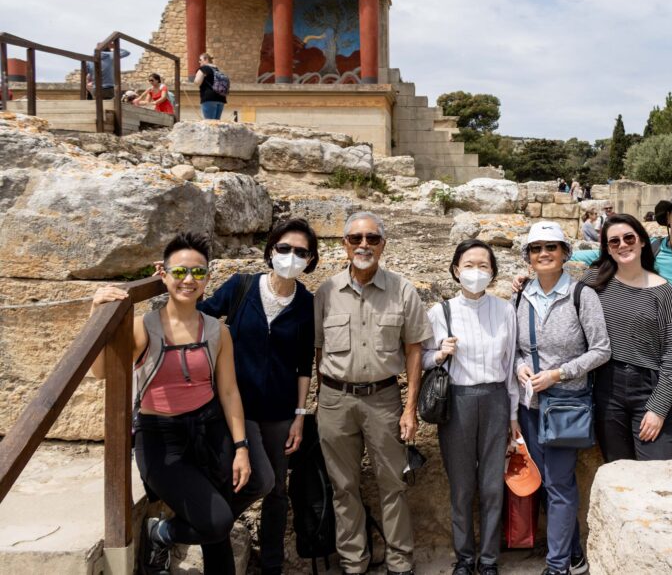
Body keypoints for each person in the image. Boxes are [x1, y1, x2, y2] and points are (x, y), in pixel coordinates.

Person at [90, 232, 270, 574]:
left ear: (207, 278)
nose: (189, 280)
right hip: (161, 438)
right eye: (180, 272)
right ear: (164, 274)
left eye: (199, 273)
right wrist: (95, 312)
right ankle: (163, 532)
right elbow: (101, 372)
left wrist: (242, 447)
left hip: (208, 427)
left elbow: (229, 392)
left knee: (259, 480)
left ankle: (186, 525)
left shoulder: (218, 331)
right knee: (217, 523)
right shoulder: (144, 328)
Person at [567, 182, 672, 458]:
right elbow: (595, 257)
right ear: (667, 217)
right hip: (659, 370)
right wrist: (541, 267)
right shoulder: (653, 253)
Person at [197, 219, 319, 575]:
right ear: (270, 250)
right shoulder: (242, 286)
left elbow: (303, 364)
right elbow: (201, 314)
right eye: (284, 248)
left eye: (300, 252)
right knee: (257, 479)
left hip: (281, 412)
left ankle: (271, 565)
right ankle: (208, 525)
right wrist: (177, 283)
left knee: (277, 491)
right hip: (237, 408)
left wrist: (299, 414)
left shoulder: (307, 304)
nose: (291, 256)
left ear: (309, 260)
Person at [314, 212, 433, 575]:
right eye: (355, 238)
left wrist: (409, 408)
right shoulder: (326, 291)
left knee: (393, 484)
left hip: (383, 400)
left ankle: (400, 562)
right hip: (335, 401)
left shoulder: (402, 290)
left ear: (383, 244)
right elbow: (318, 350)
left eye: (371, 238)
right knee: (343, 486)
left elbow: (414, 350)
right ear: (344, 245)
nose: (363, 245)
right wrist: (321, 403)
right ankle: (354, 562)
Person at [515, 221, 610, 575]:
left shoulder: (581, 295)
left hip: (566, 406)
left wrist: (559, 373)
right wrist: (520, 368)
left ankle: (557, 567)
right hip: (530, 408)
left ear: (565, 254)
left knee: (558, 484)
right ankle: (574, 556)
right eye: (536, 248)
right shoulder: (520, 295)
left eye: (551, 247)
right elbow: (516, 350)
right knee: (545, 485)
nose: (544, 254)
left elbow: (601, 349)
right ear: (528, 257)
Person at [421, 240, 517, 575]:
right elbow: (420, 359)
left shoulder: (505, 310)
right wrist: (438, 354)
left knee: (492, 486)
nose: (476, 272)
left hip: (495, 400)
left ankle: (488, 560)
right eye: (469, 265)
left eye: (483, 266)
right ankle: (464, 558)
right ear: (455, 270)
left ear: (492, 273)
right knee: (461, 487)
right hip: (457, 403)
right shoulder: (440, 312)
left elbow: (510, 365)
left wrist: (514, 414)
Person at [583, 214, 672, 461]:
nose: (623, 245)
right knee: (618, 472)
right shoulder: (595, 280)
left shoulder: (663, 291)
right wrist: (525, 283)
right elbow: (559, 293)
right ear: (606, 248)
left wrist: (658, 409)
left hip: (648, 388)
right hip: (606, 387)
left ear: (642, 241)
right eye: (614, 242)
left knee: (654, 474)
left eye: (629, 238)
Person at [194, 52, 227, 120]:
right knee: (216, 123)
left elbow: (197, 82)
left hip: (209, 98)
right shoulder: (217, 70)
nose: (199, 61)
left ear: (206, 59)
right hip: (221, 99)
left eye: (200, 59)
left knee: (209, 123)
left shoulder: (204, 68)